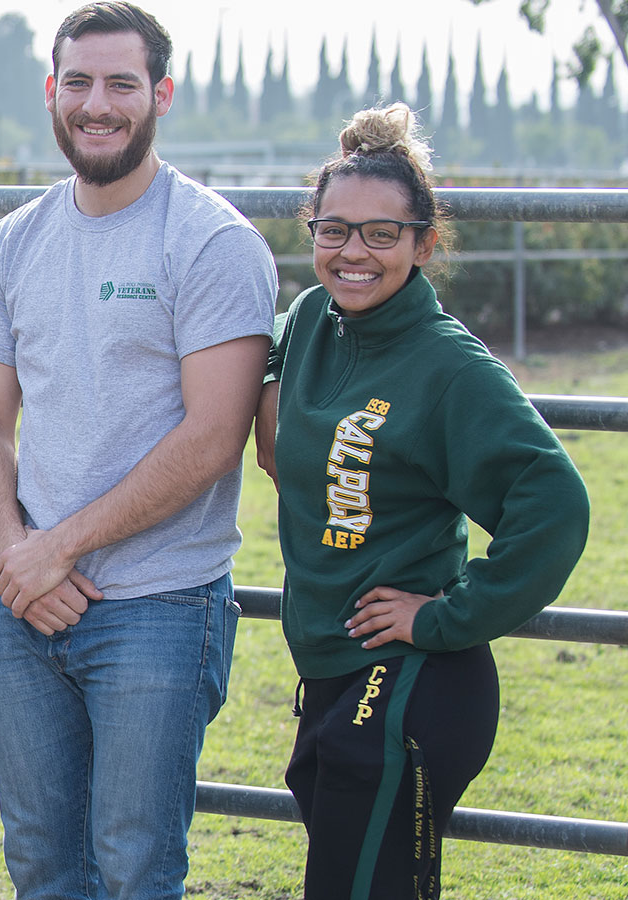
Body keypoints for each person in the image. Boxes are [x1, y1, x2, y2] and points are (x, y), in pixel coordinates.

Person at [0, 3, 279, 897]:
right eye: (80, 83)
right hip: (27, 607)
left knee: (135, 870)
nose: (98, 104)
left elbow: (214, 436)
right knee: (41, 867)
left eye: (122, 84)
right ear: (51, 93)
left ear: (162, 95)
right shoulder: (15, 240)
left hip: (162, 607)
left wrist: (58, 548)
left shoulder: (212, 241)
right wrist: (19, 556)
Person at [256, 103, 589, 900]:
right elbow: (256, 354)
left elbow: (553, 502)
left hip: (409, 681)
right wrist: (264, 379)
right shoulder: (310, 322)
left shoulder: (449, 369)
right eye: (333, 230)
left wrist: (441, 617)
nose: (354, 253)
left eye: (382, 234)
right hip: (332, 676)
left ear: (423, 243)